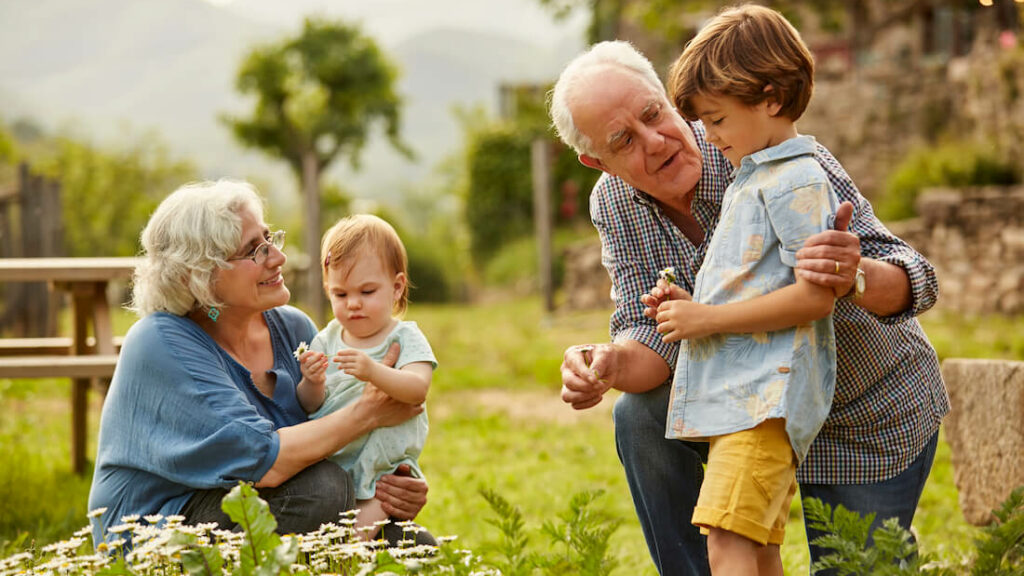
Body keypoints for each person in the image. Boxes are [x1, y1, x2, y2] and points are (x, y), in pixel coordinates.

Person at [549, 36, 948, 576]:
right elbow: (650, 334)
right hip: (748, 412)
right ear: (596, 160)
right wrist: (611, 363)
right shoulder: (614, 202)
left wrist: (852, 272)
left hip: (860, 411)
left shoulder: (769, 149)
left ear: (668, 99)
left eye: (653, 113)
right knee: (640, 416)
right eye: (624, 139)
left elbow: (916, 278)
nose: (656, 139)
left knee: (858, 567)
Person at [88, 180, 431, 546]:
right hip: (161, 530)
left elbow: (329, 431)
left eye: (271, 239)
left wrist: (395, 481)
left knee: (413, 545)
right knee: (322, 490)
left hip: (269, 503)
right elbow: (265, 462)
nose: (278, 257)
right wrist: (371, 412)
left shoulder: (293, 328)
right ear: (201, 274)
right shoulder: (159, 342)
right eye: (255, 250)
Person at [650, 6, 839, 574]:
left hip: (764, 401)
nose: (709, 137)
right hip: (744, 399)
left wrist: (704, 321)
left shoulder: (796, 179)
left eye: (717, 120)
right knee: (754, 545)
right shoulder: (755, 175)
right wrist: (688, 305)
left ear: (771, 99)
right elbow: (752, 282)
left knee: (726, 541)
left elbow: (816, 296)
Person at [295, 214, 435, 541]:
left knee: (352, 539)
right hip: (337, 458)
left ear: (397, 287)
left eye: (367, 291)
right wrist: (312, 382)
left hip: (383, 467)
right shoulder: (326, 339)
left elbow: (417, 389)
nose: (353, 304)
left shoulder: (404, 337)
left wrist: (374, 370)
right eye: (340, 295)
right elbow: (309, 405)